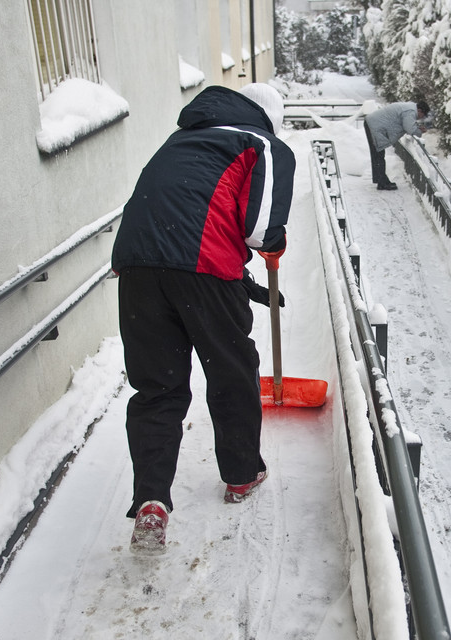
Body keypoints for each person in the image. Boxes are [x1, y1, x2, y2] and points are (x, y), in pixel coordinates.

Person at [110, 83, 295, 554]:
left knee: (158, 388)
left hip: (136, 268)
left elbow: (185, 216)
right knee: (231, 370)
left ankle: (151, 499)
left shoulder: (180, 140)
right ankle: (240, 474)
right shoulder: (263, 144)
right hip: (203, 267)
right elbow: (259, 230)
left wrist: (247, 286)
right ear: (271, 117)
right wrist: (273, 246)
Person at [363, 100, 430, 190]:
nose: (421, 118)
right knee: (378, 155)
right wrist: (419, 131)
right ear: (420, 110)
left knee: (377, 155)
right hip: (375, 127)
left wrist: (416, 127)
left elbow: (406, 123)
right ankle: (382, 182)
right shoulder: (410, 111)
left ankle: (381, 181)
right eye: (423, 115)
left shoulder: (409, 108)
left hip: (373, 124)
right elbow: (410, 128)